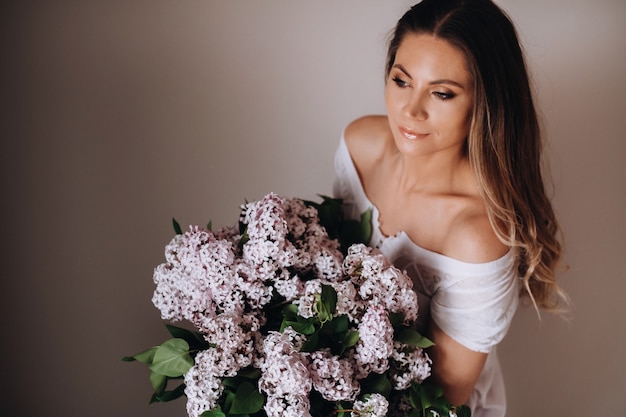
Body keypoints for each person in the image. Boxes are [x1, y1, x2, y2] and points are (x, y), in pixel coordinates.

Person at [333, 0, 568, 415]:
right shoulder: (359, 145)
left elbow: (441, 400)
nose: (411, 109)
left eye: (441, 93)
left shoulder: (477, 235)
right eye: (401, 80)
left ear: (486, 102)